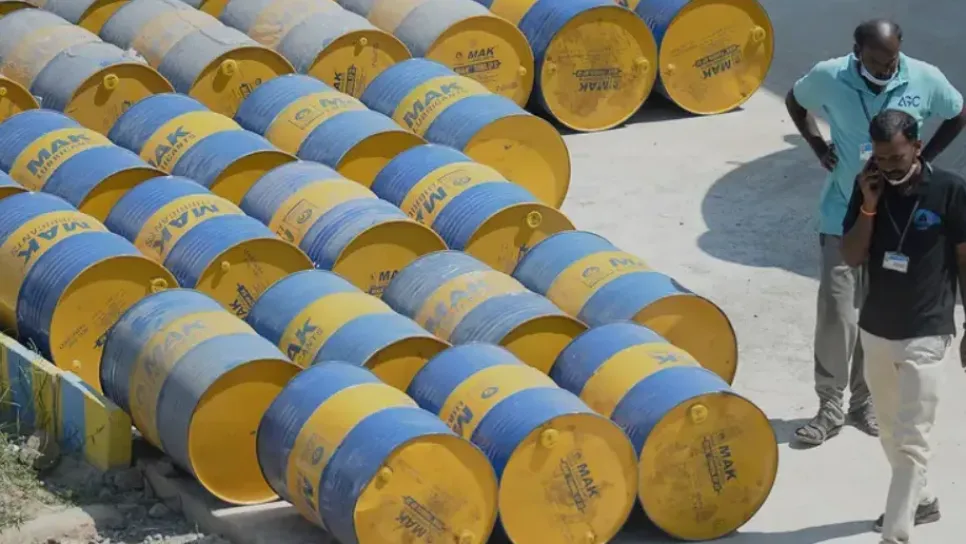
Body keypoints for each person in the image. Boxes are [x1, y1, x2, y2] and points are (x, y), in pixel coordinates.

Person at [785, 18, 966, 446]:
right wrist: (818, 146)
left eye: (893, 59)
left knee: (875, 311)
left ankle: (863, 401)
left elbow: (957, 113)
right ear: (857, 53)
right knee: (837, 310)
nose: (887, 68)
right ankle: (830, 404)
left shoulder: (923, 77)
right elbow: (795, 101)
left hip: (897, 220)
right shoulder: (830, 76)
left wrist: (924, 158)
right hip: (842, 214)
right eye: (877, 61)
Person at [840, 108, 966, 544]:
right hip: (876, 330)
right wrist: (869, 206)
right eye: (880, 157)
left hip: (927, 331)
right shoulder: (868, 188)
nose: (889, 166)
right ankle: (923, 499)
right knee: (891, 432)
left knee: (913, 439)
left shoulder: (950, 190)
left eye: (896, 157)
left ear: (917, 146)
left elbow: (965, 259)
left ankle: (895, 534)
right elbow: (851, 256)